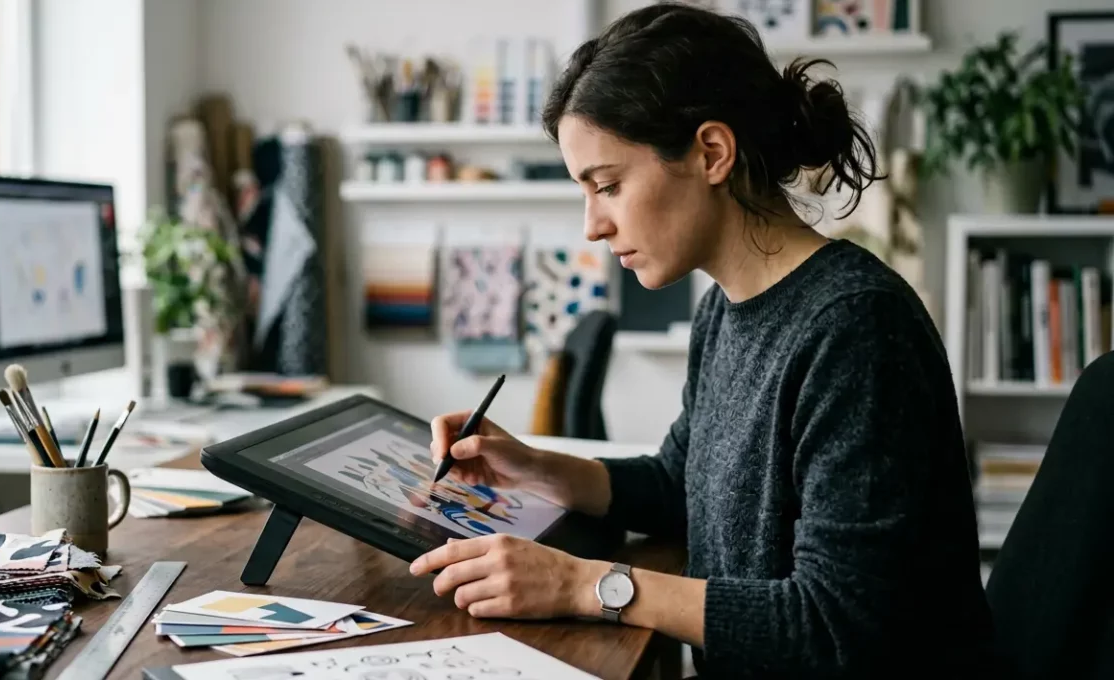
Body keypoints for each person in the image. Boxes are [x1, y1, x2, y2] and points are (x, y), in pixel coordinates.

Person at [408, 3, 994, 678]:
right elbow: (675, 483)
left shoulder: (857, 329)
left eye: (609, 185)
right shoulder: (726, 310)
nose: (592, 226)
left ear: (711, 152)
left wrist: (582, 585)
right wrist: (535, 467)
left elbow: (838, 626)